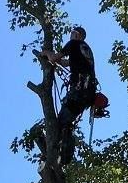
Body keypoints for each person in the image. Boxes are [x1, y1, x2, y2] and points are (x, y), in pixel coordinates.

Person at [39, 26, 99, 165]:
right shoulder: (85, 50)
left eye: (72, 33)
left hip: (78, 91)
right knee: (66, 122)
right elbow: (65, 63)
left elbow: (54, 58)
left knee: (60, 123)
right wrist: (53, 58)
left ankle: (59, 156)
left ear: (77, 35)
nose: (70, 35)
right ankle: (59, 153)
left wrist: (46, 53)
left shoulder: (74, 44)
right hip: (88, 94)